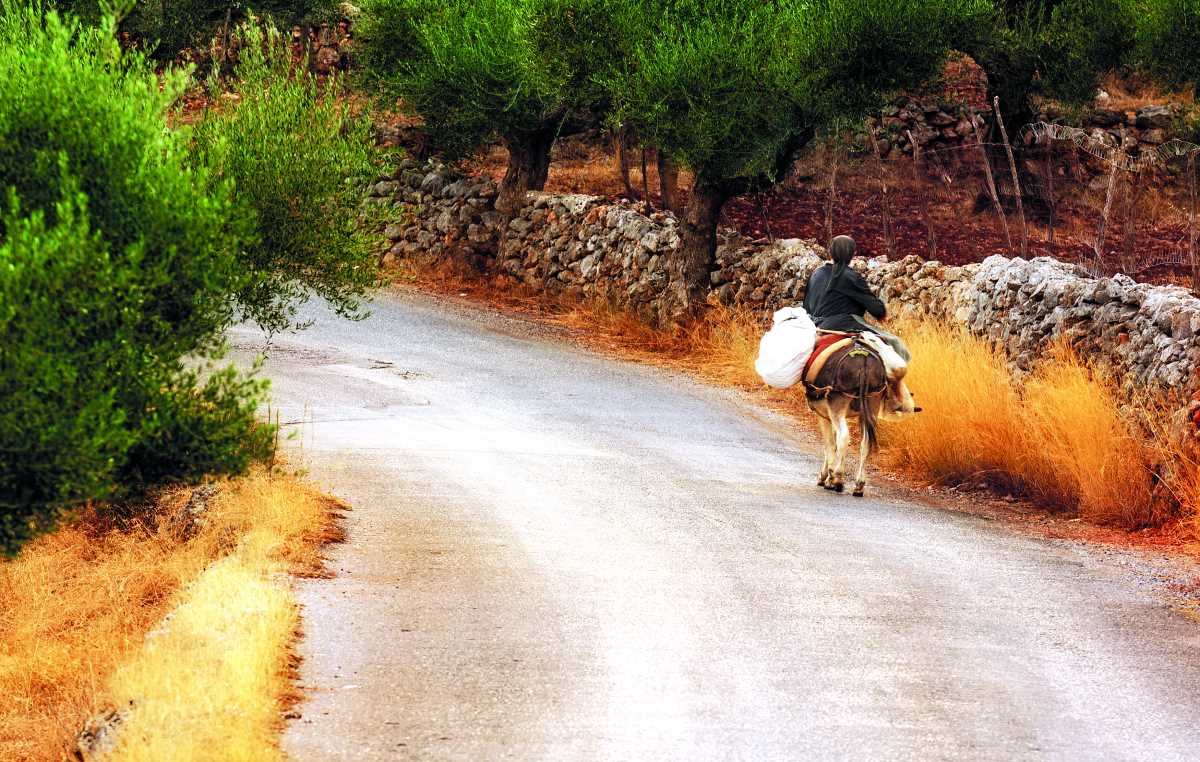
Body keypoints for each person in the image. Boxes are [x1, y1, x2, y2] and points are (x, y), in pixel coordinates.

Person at [803, 235, 910, 361]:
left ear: (830, 252)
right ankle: (895, 380)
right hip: (844, 324)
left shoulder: (816, 274)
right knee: (896, 343)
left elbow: (806, 307)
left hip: (816, 327)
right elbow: (877, 310)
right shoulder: (851, 276)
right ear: (851, 254)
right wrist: (881, 312)